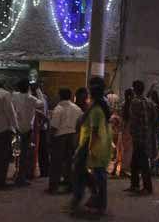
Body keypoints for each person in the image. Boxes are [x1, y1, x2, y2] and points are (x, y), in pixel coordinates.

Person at [70, 76, 112, 216]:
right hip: (97, 145)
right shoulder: (100, 105)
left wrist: (89, 149)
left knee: (94, 175)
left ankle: (95, 203)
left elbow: (94, 131)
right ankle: (93, 201)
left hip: (92, 146)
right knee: (91, 174)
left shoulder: (96, 109)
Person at [48, 88, 82, 193]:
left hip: (60, 137)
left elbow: (54, 126)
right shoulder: (77, 108)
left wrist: (49, 139)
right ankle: (70, 184)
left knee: (56, 162)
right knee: (70, 162)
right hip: (73, 136)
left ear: (60, 96)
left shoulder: (58, 108)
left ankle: (54, 186)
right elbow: (80, 123)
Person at [125, 80, 155, 195]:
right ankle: (135, 184)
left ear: (134, 89)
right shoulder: (149, 102)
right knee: (135, 161)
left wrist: (133, 132)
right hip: (146, 135)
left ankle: (147, 187)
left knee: (142, 162)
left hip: (138, 136)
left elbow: (132, 119)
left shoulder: (134, 102)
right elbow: (154, 117)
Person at [0, 79, 18, 189]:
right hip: (5, 128)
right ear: (3, 85)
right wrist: (15, 126)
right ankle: (0, 181)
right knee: (4, 157)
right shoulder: (5, 94)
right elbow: (10, 112)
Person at [12, 78, 42, 186]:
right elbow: (42, 104)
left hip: (17, 127)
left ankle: (17, 173)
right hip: (27, 130)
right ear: (28, 88)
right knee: (24, 154)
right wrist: (38, 90)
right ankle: (21, 178)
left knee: (16, 153)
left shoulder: (15, 96)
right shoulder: (31, 99)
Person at [29, 81, 50, 179]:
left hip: (39, 128)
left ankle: (44, 171)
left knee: (41, 151)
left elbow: (43, 111)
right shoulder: (42, 97)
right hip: (40, 127)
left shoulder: (39, 98)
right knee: (42, 151)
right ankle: (43, 171)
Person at [147, 89, 159, 177]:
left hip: (152, 130)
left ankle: (153, 169)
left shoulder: (151, 106)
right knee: (157, 150)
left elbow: (150, 119)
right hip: (158, 130)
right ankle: (157, 170)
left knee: (152, 151)